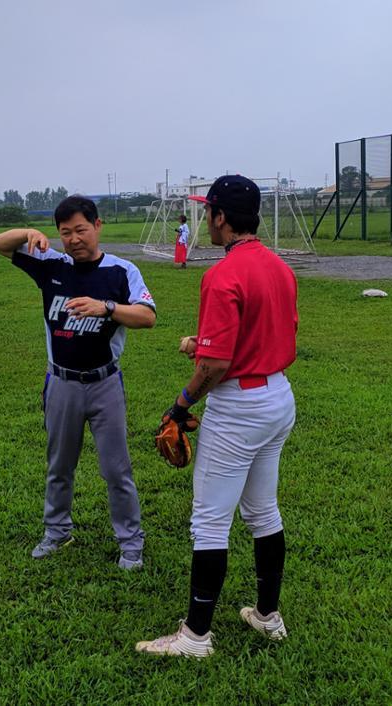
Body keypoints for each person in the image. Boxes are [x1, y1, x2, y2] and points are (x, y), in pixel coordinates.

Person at [136, 175, 298, 657]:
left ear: (221, 217)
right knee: (262, 510)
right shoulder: (279, 267)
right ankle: (268, 616)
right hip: (277, 397)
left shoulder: (222, 274)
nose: (208, 218)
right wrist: (198, 345)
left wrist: (180, 405)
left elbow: (217, 365)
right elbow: (251, 335)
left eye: (210, 212)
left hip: (239, 406)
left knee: (209, 522)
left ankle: (195, 637)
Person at [0, 196, 156, 569]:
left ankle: (131, 543)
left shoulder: (120, 271)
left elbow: (147, 317)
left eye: (81, 230)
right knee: (59, 466)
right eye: (66, 232)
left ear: (98, 226)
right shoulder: (53, 265)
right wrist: (28, 231)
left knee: (117, 470)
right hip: (61, 383)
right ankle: (57, 532)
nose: (74, 239)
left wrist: (107, 307)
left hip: (105, 384)